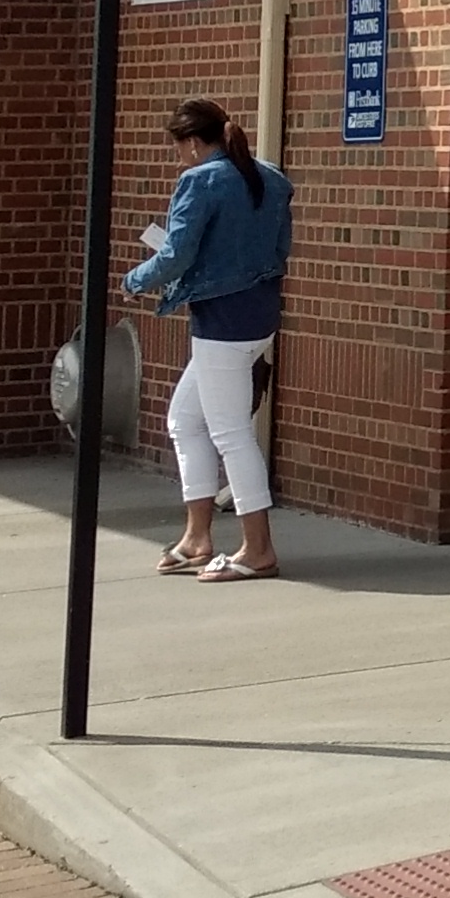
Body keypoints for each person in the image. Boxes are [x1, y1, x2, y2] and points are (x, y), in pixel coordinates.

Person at [124, 97, 295, 581]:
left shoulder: (199, 180)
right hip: (258, 313)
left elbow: (176, 253)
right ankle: (197, 537)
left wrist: (135, 280)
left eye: (179, 148)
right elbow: (282, 248)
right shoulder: (270, 177)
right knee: (185, 419)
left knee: (230, 434)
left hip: (221, 321)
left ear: (193, 143)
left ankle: (257, 550)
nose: (180, 158)